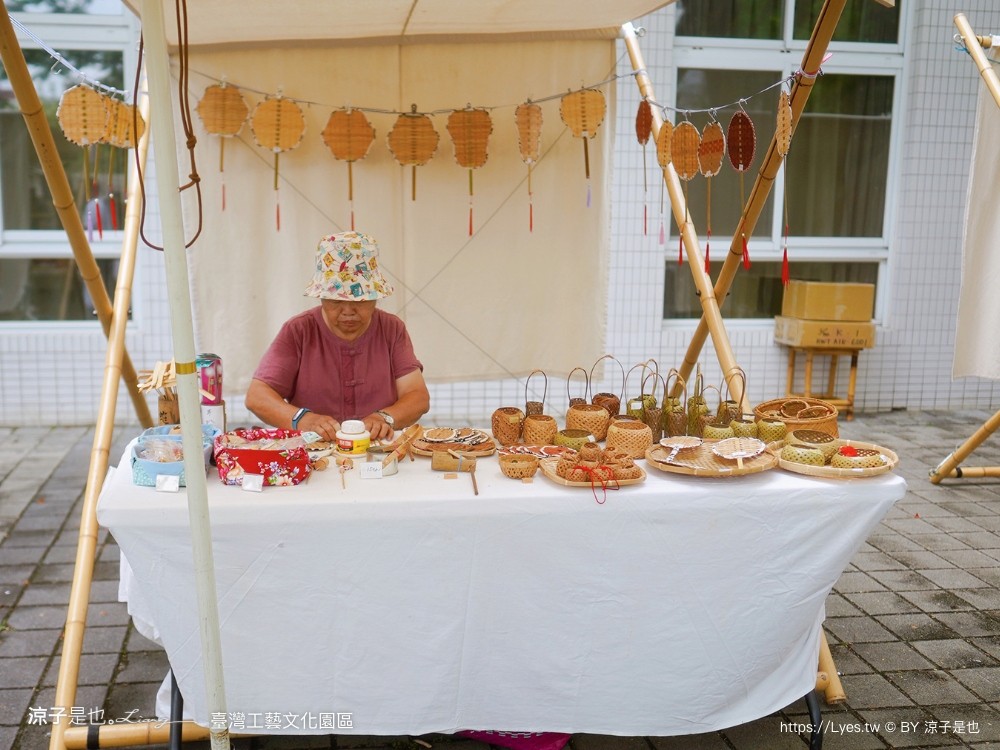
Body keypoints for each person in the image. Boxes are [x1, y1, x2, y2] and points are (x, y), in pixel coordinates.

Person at [245, 231, 429, 442]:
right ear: (321, 297)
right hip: (314, 450)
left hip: (377, 450)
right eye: (336, 300)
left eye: (359, 300)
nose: (348, 311)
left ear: (375, 298)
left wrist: (385, 417)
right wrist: (302, 419)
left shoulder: (392, 328)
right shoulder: (298, 330)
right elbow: (257, 396)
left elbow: (417, 396)